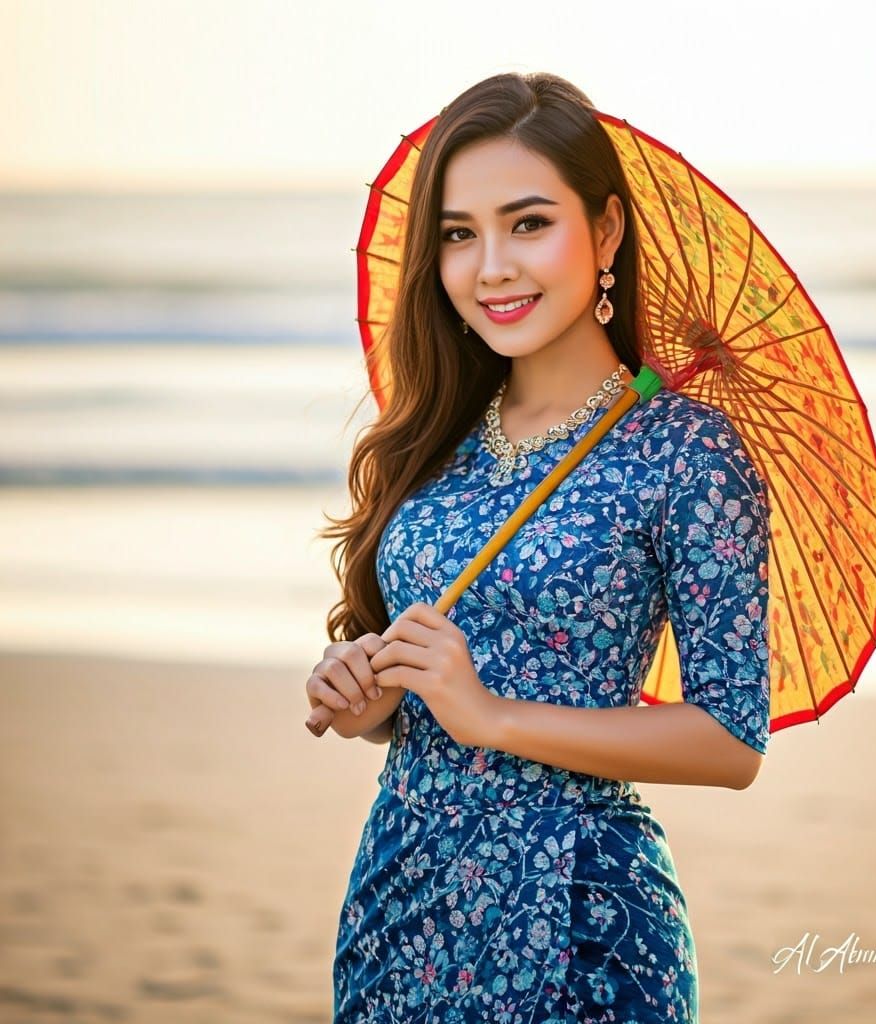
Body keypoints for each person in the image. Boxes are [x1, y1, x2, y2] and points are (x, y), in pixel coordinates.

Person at [306, 70, 771, 1023]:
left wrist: (493, 716)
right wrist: (372, 701)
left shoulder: (686, 452)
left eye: (528, 223)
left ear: (606, 230)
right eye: (458, 234)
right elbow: (421, 705)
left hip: (578, 913)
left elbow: (731, 742)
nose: (491, 268)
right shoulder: (433, 438)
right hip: (401, 901)